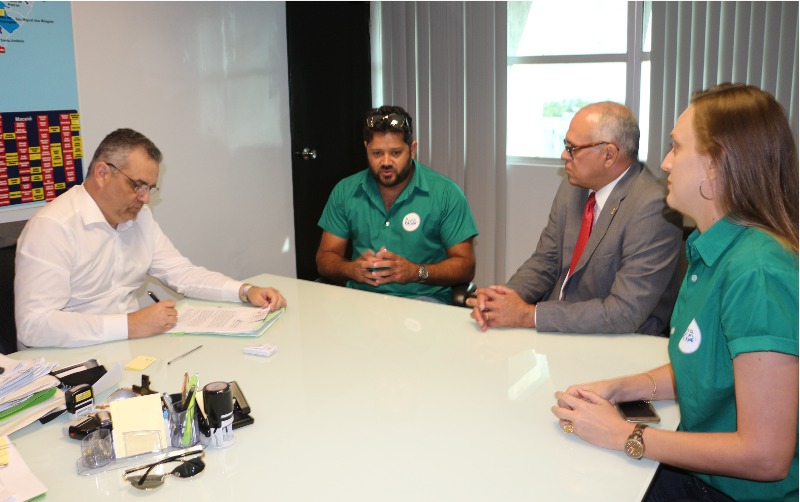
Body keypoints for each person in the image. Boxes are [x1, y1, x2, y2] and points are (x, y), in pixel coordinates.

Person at [552, 84, 798, 501]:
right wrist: (621, 388)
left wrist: (625, 435)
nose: (665, 162)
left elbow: (766, 456)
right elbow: (708, 363)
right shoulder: (714, 248)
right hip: (702, 473)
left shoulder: (757, 271)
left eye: (676, 148)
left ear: (715, 167)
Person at [15, 128, 287, 348]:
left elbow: (182, 274)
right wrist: (130, 325)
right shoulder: (53, 227)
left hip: (126, 349)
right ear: (102, 173)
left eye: (149, 188)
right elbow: (33, 326)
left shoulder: (139, 217)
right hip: (67, 362)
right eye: (137, 185)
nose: (145, 198)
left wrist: (245, 291)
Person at [468, 101, 681, 335]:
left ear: (609, 154)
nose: (563, 155)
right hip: (559, 331)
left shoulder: (653, 207)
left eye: (572, 148)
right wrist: (502, 300)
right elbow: (545, 262)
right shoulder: (573, 187)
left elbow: (624, 312)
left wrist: (529, 315)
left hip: (617, 341)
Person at [316, 105, 478, 304]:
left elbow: (465, 266)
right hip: (361, 299)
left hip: (422, 299)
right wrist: (351, 269)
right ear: (366, 148)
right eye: (377, 153)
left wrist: (416, 272)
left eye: (395, 153)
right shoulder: (345, 190)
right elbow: (325, 258)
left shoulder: (446, 194)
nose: (386, 162)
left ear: (412, 149)